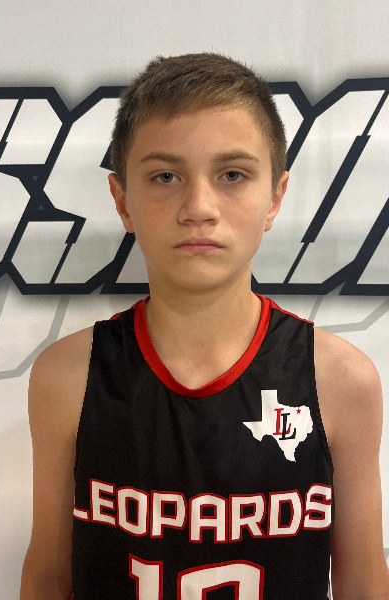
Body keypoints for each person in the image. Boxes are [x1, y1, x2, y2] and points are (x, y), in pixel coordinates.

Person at [20, 53, 389, 600]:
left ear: (275, 197)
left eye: (232, 175)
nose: (198, 207)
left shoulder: (340, 381)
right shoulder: (67, 376)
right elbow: (49, 577)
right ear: (122, 201)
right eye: (165, 176)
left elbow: (363, 582)